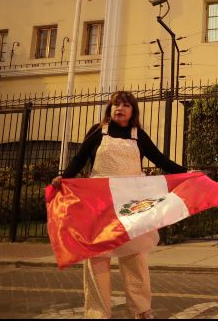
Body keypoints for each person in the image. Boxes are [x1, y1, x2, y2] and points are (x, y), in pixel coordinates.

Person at [52, 91, 187, 319]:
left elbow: (161, 160)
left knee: (134, 257)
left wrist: (186, 173)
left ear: (132, 111)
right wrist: (64, 177)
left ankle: (141, 310)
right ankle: (97, 313)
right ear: (110, 108)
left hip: (132, 206)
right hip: (100, 204)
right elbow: (80, 158)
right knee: (97, 258)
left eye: (125, 105)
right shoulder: (97, 132)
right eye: (116, 104)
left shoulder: (138, 135)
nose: (120, 108)